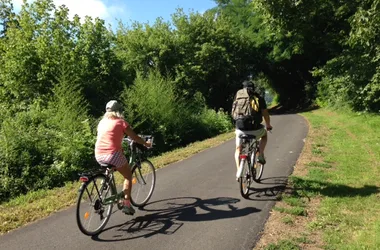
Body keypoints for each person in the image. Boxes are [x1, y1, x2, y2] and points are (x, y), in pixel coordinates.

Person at [94, 100, 151, 215]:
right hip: (112, 155)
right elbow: (134, 137)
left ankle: (105, 183)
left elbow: (108, 137)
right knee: (128, 175)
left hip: (98, 154)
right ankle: (126, 204)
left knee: (113, 165)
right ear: (119, 111)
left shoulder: (102, 122)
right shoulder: (121, 122)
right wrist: (145, 143)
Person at [232, 80, 273, 179]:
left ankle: (239, 172)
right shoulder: (259, 98)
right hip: (254, 129)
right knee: (264, 135)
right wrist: (268, 125)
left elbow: (233, 112)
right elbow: (265, 114)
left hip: (240, 128)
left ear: (243, 88)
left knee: (238, 149)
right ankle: (261, 155)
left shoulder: (238, 96)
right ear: (253, 88)